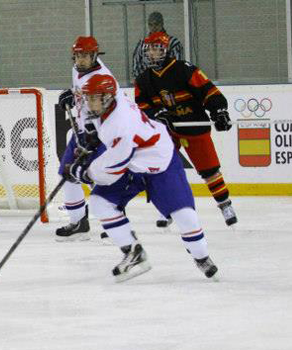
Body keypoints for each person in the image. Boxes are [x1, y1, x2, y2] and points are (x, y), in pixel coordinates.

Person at [68, 74, 219, 282]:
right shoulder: (113, 99)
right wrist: (91, 137)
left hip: (160, 164)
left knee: (186, 217)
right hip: (134, 163)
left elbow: (112, 169)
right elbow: (101, 132)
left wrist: (84, 173)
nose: (89, 102)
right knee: (99, 202)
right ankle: (133, 251)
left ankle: (201, 256)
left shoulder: (120, 125)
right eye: (89, 97)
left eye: (94, 98)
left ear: (107, 98)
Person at [134, 31, 237, 226]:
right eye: (149, 49)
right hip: (168, 132)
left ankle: (225, 204)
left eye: (157, 48)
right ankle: (167, 209)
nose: (152, 53)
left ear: (166, 50)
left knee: (210, 170)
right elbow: (141, 105)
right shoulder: (143, 79)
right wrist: (157, 114)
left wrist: (219, 111)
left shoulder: (184, 69)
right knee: (162, 168)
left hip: (194, 125)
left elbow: (208, 91)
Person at [54, 36, 113, 242]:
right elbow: (81, 93)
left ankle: (114, 222)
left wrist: (94, 134)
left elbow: (109, 107)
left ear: (95, 55)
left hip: (100, 135)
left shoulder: (103, 77)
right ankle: (79, 222)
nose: (80, 60)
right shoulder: (77, 71)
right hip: (81, 130)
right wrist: (69, 94)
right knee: (67, 172)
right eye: (77, 56)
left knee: (101, 177)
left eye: (85, 56)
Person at [131, 11, 183, 79]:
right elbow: (136, 65)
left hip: (167, 83)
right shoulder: (142, 43)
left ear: (162, 24)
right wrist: (143, 81)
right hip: (147, 83)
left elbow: (177, 66)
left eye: (156, 24)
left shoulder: (173, 43)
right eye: (150, 24)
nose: (153, 27)